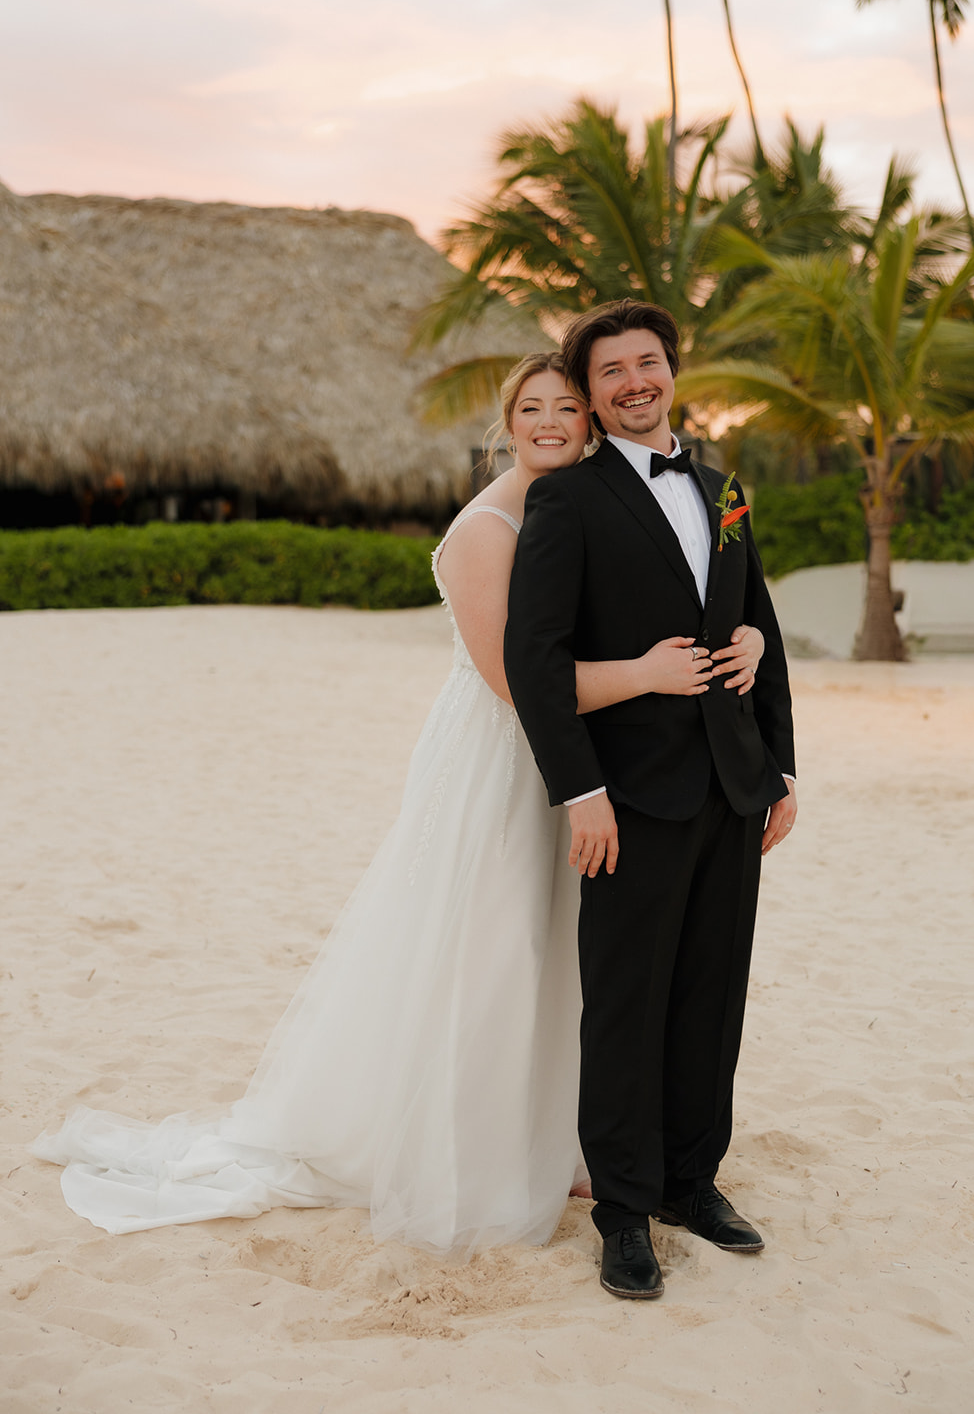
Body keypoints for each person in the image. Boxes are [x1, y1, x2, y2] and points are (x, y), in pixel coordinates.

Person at [33, 351, 767, 1257]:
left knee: (572, 961)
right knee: (496, 949)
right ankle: (484, 1149)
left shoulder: (588, 503)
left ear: (591, 422)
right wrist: (649, 674)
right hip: (503, 763)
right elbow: (513, 679)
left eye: (567, 408)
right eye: (531, 408)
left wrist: (738, 649)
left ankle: (576, 1140)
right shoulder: (488, 528)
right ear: (506, 423)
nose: (551, 423)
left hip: (593, 758)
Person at [504, 304, 797, 1300]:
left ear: (672, 369)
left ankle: (688, 1180)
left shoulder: (724, 488)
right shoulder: (568, 501)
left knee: (709, 996)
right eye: (612, 371)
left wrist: (781, 769)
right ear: (587, 395)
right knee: (625, 1006)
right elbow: (533, 660)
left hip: (730, 788)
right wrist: (578, 790)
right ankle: (622, 1211)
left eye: (647, 362)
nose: (634, 381)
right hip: (624, 799)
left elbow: (760, 629)